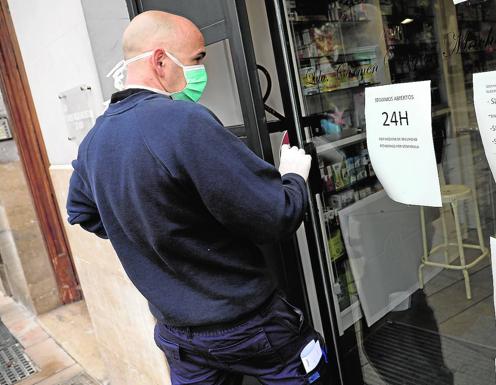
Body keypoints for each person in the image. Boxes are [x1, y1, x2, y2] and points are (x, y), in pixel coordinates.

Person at [66, 10, 329, 385]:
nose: (201, 71)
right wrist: (294, 177)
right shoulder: (185, 121)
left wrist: (155, 232)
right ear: (160, 60)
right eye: (197, 60)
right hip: (249, 326)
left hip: (178, 337)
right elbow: (276, 216)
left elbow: (81, 211)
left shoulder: (95, 141)